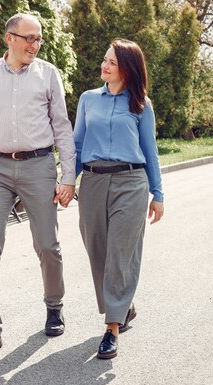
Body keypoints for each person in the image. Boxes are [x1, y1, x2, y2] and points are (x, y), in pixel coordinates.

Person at [0, 13, 76, 360]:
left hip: (39, 165)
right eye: (28, 39)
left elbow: (62, 128)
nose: (34, 46)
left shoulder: (48, 74)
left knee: (48, 245)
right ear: (9, 39)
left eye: (38, 40)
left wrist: (68, 176)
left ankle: (54, 306)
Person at [73, 39, 164, 359]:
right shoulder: (88, 99)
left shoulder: (141, 104)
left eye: (111, 62)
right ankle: (123, 305)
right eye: (104, 59)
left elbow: (150, 152)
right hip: (94, 182)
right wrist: (67, 180)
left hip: (131, 182)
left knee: (120, 253)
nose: (104, 65)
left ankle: (112, 327)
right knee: (97, 249)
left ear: (127, 68)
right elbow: (78, 145)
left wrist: (158, 193)